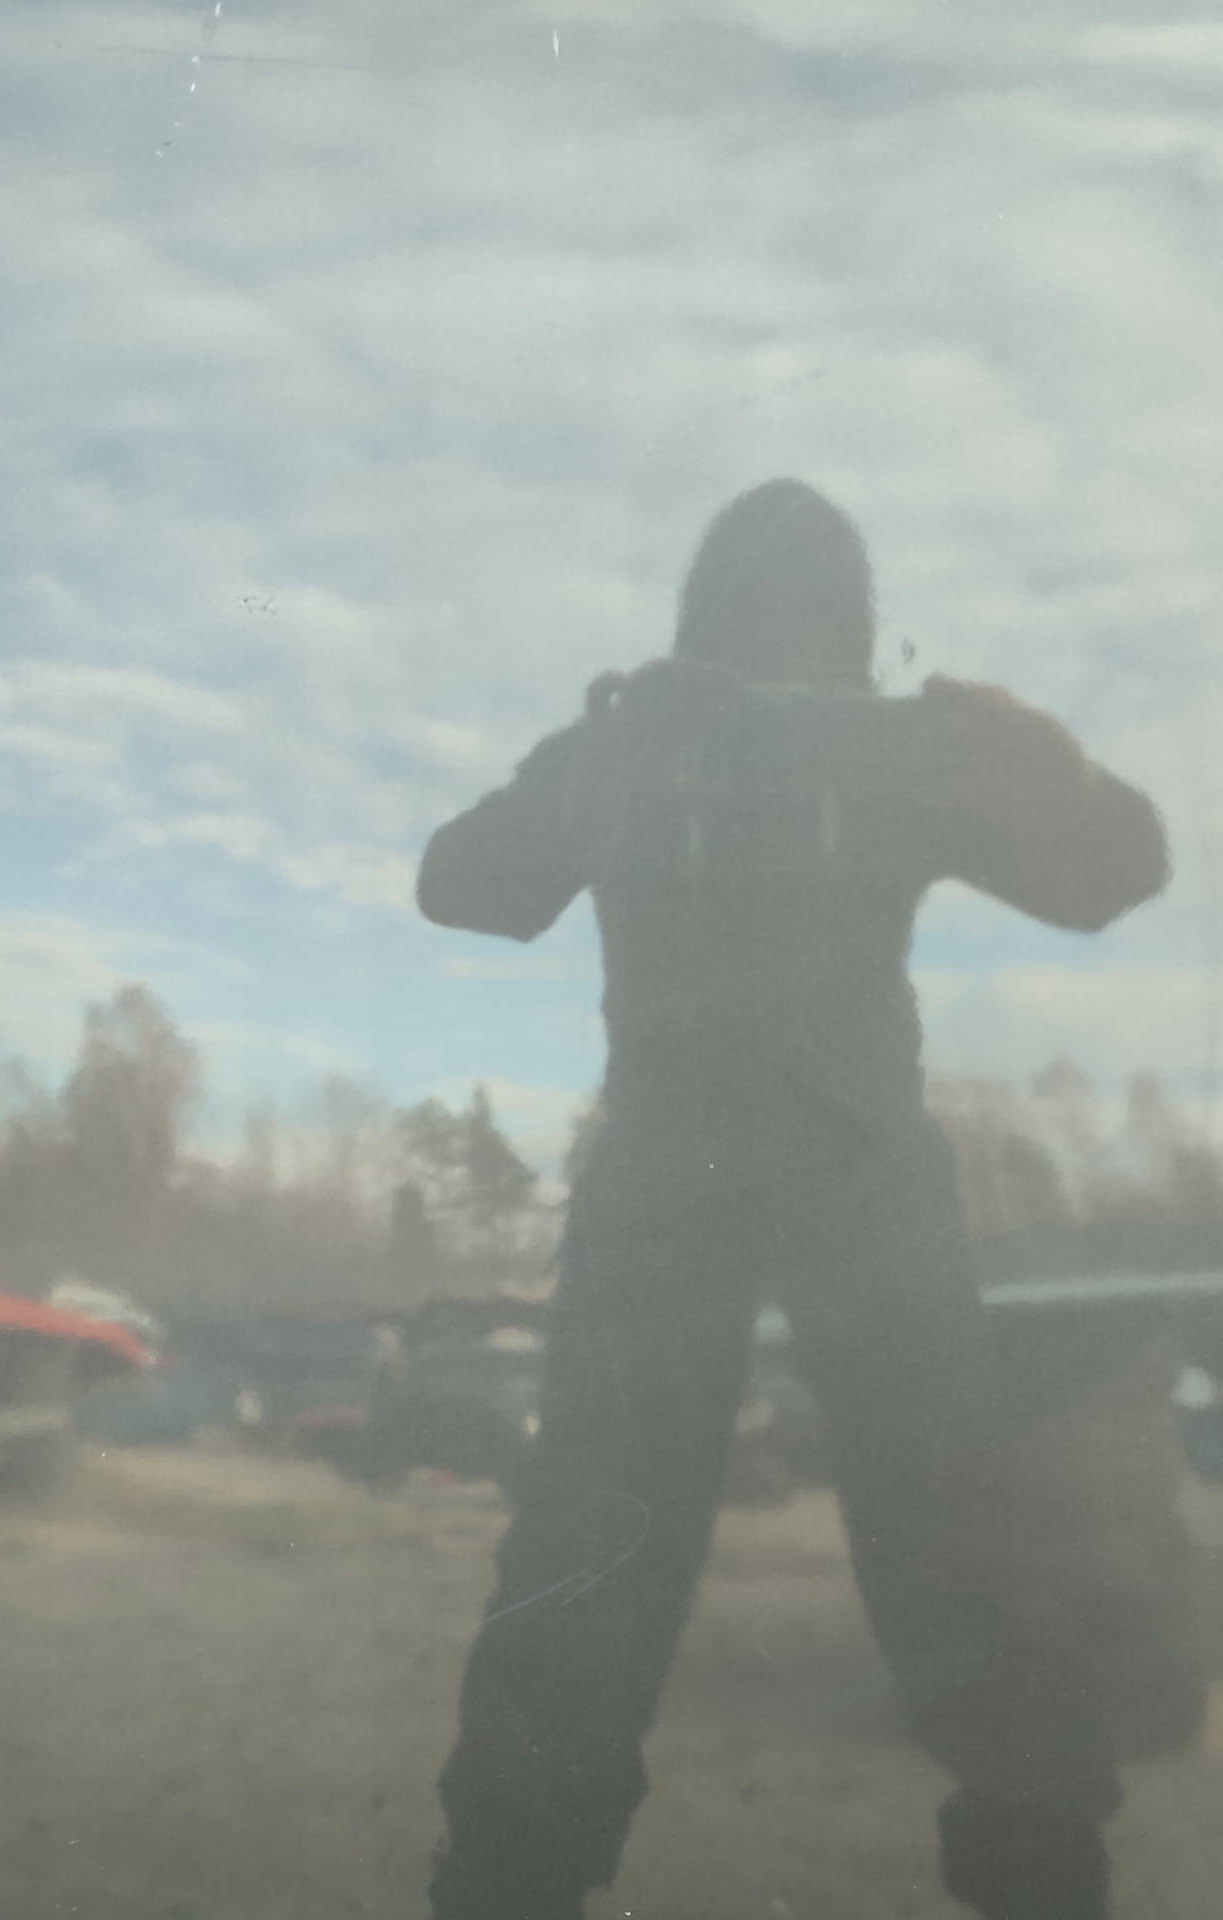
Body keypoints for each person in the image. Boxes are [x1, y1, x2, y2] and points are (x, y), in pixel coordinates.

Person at [416, 477, 1170, 1920]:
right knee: (611, 1550)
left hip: (821, 1175)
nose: (784, 665)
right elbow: (458, 884)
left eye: (812, 634)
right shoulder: (646, 737)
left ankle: (1037, 1873)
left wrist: (1058, 781)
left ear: (853, 644)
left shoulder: (893, 753)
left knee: (946, 1536)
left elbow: (1114, 874)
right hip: (718, 1179)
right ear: (705, 632)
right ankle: (512, 1882)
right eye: (756, 629)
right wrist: (587, 790)